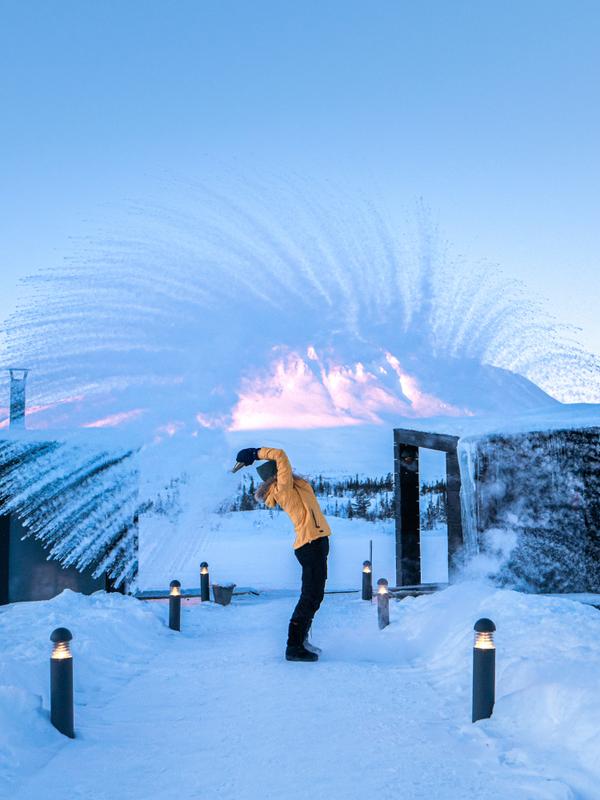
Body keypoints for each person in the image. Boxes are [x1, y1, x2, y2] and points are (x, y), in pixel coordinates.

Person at [232, 446, 331, 662]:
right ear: (276, 475)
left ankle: (301, 640)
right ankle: (293, 646)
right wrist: (256, 453)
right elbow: (281, 454)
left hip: (316, 543)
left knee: (315, 597)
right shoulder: (283, 488)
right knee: (310, 597)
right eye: (282, 470)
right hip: (310, 544)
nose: (288, 470)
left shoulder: (295, 487)